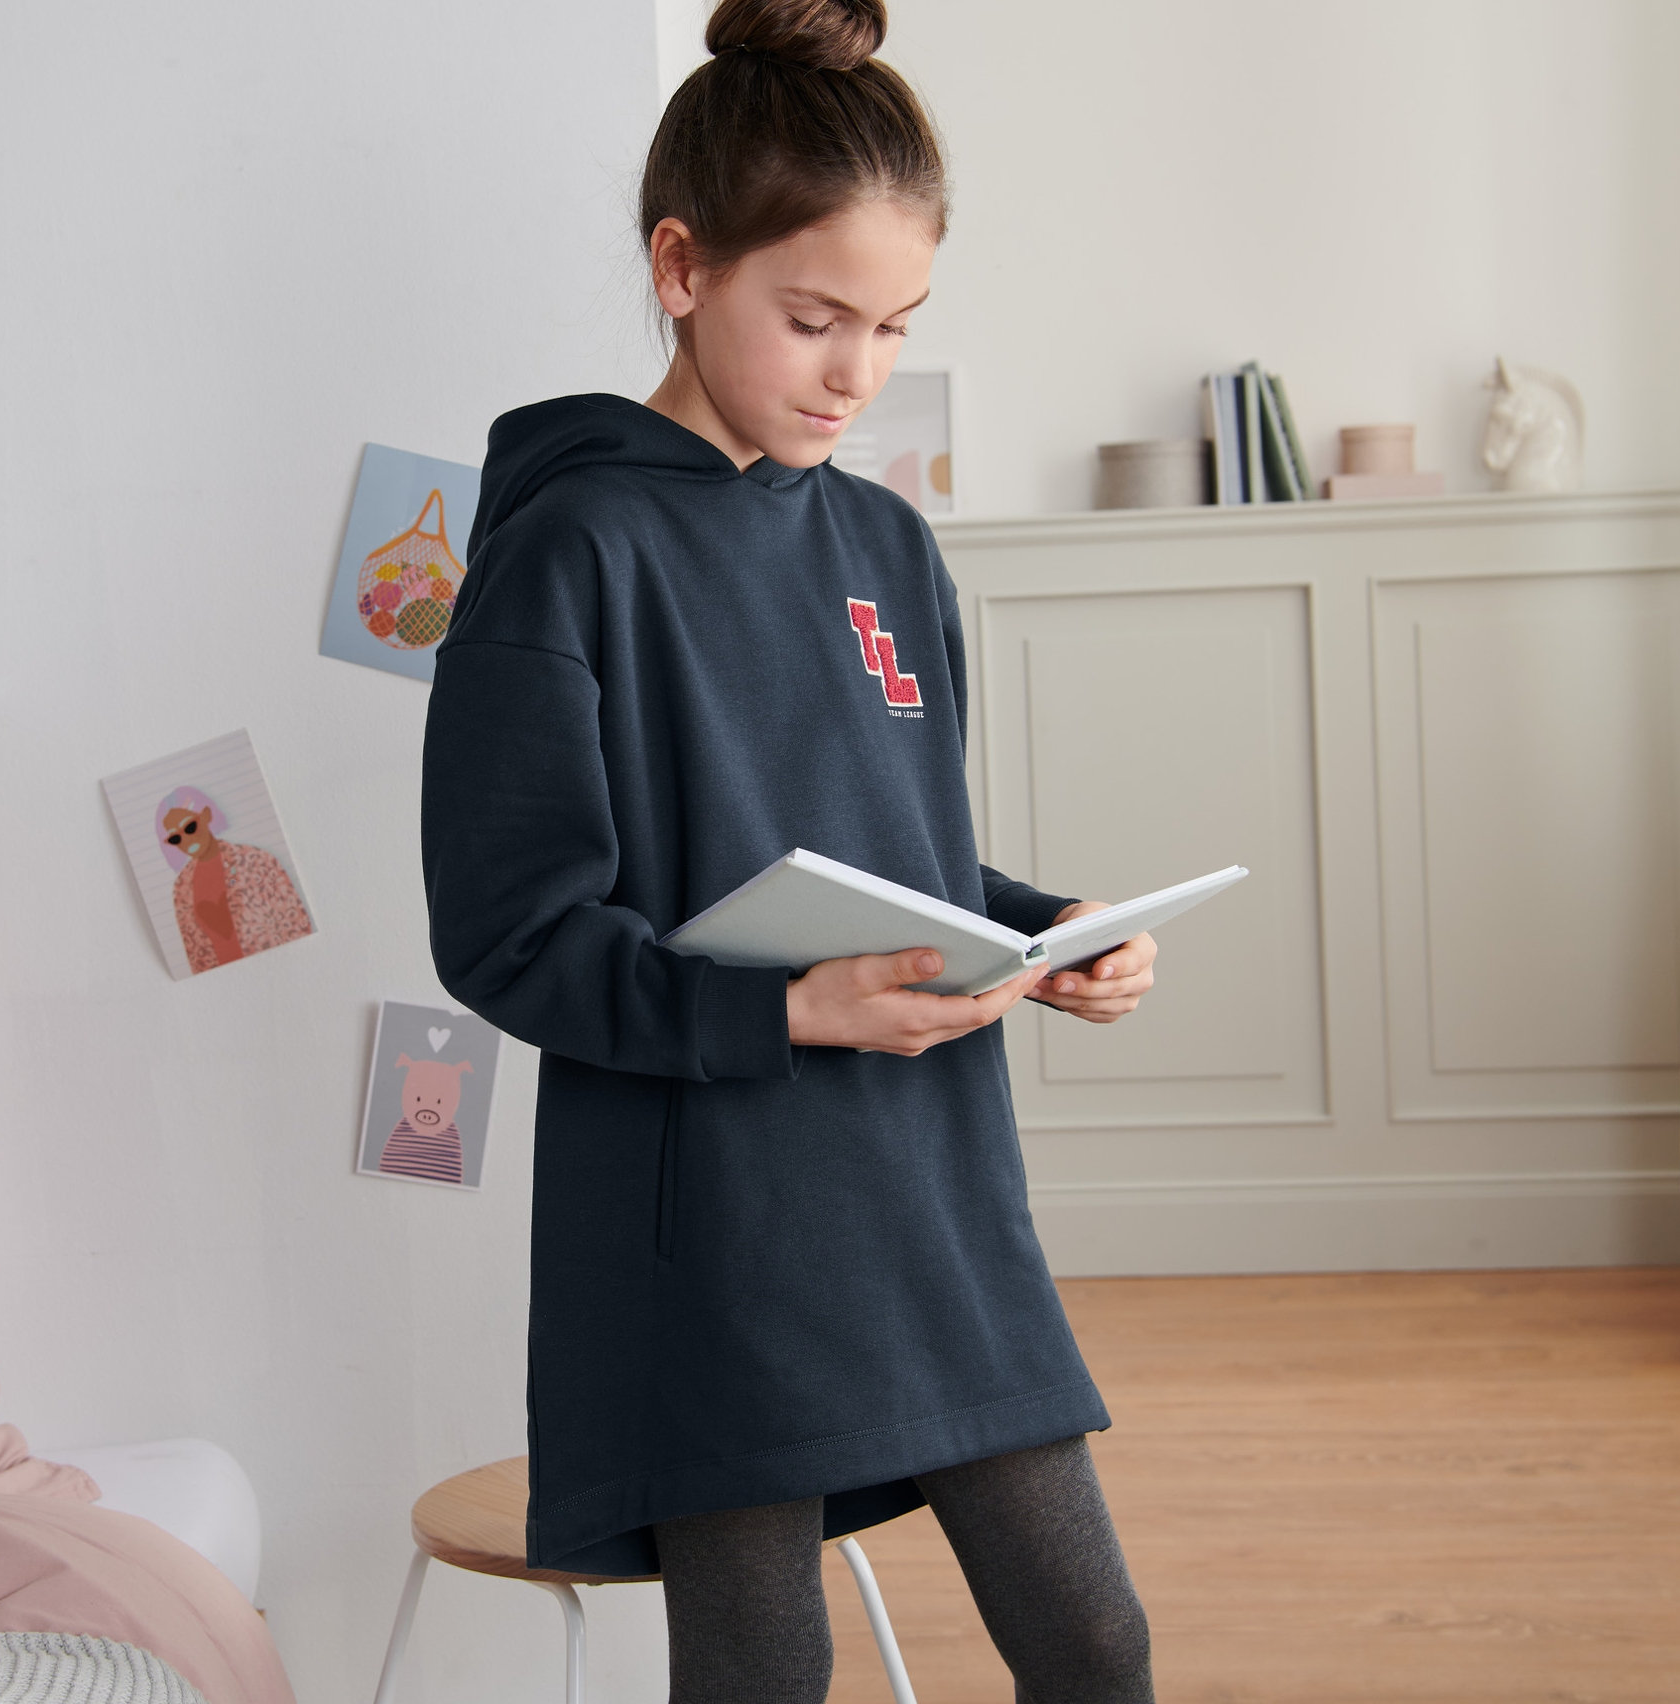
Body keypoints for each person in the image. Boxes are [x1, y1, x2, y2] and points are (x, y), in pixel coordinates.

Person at [421, 2, 1157, 1697]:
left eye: (895, 328)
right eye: (816, 318)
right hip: (714, 1218)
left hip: (933, 1182)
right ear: (682, 267)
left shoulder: (888, 542)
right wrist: (792, 1012)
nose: (857, 373)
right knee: (763, 1673)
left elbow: (906, 859)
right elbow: (512, 934)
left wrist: (1046, 933)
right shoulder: (570, 554)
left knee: (1095, 1638)